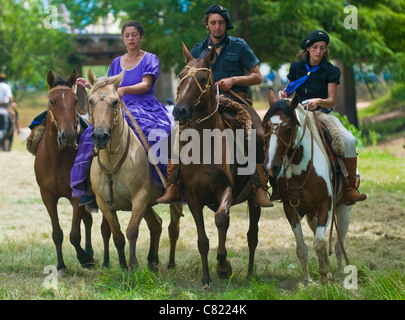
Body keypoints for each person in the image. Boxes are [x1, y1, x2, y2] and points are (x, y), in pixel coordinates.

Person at [157, 4, 273, 207]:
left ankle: (259, 186)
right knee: (176, 133)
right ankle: (173, 183)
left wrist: (234, 80)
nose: (217, 27)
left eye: (221, 23)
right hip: (203, 103)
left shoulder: (239, 46)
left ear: (226, 25)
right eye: (213, 23)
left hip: (234, 99)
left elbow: (258, 76)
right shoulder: (197, 50)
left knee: (258, 133)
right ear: (207, 25)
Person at [71, 20, 173, 208]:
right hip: (116, 106)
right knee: (88, 136)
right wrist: (90, 85)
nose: (131, 38)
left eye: (134, 35)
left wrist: (124, 90)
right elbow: (108, 86)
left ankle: (166, 182)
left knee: (160, 132)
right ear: (123, 38)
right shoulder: (116, 62)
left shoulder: (150, 59)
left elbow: (146, 84)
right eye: (127, 35)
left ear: (141, 37)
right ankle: (88, 188)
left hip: (145, 106)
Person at [278, 30, 366, 205]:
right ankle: (276, 183)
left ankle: (349, 188)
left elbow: (331, 100)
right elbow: (288, 90)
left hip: (322, 114)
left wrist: (319, 102)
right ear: (308, 48)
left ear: (326, 50)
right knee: (278, 135)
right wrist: (283, 94)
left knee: (348, 140)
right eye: (315, 47)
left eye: (322, 48)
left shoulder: (331, 70)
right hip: (300, 112)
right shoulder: (296, 68)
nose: (318, 51)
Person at [0, 73, 19, 138]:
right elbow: (9, 97)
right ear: (5, 80)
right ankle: (17, 129)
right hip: (4, 106)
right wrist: (12, 103)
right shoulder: (6, 86)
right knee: (14, 113)